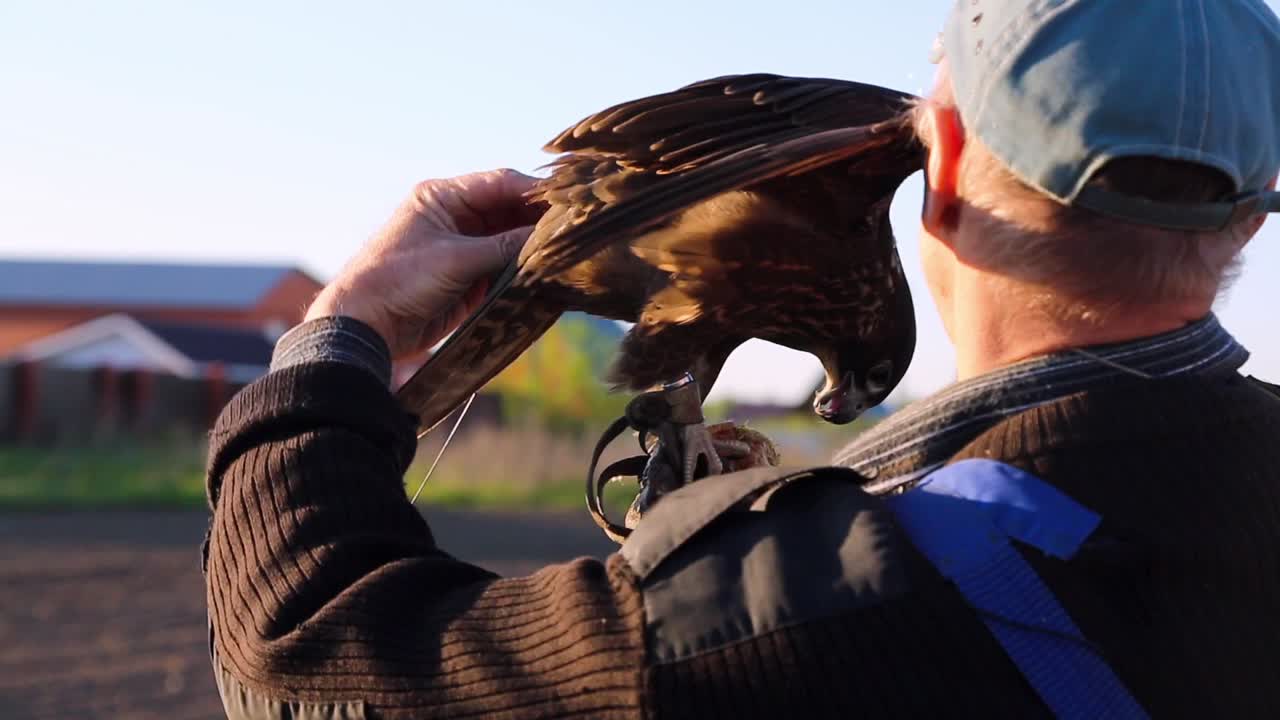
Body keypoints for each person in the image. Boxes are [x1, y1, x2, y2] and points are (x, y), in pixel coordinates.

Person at [202, 1, 1280, 718]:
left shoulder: (809, 607)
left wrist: (341, 333)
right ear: (1247, 224)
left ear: (937, 156)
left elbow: (301, 659)